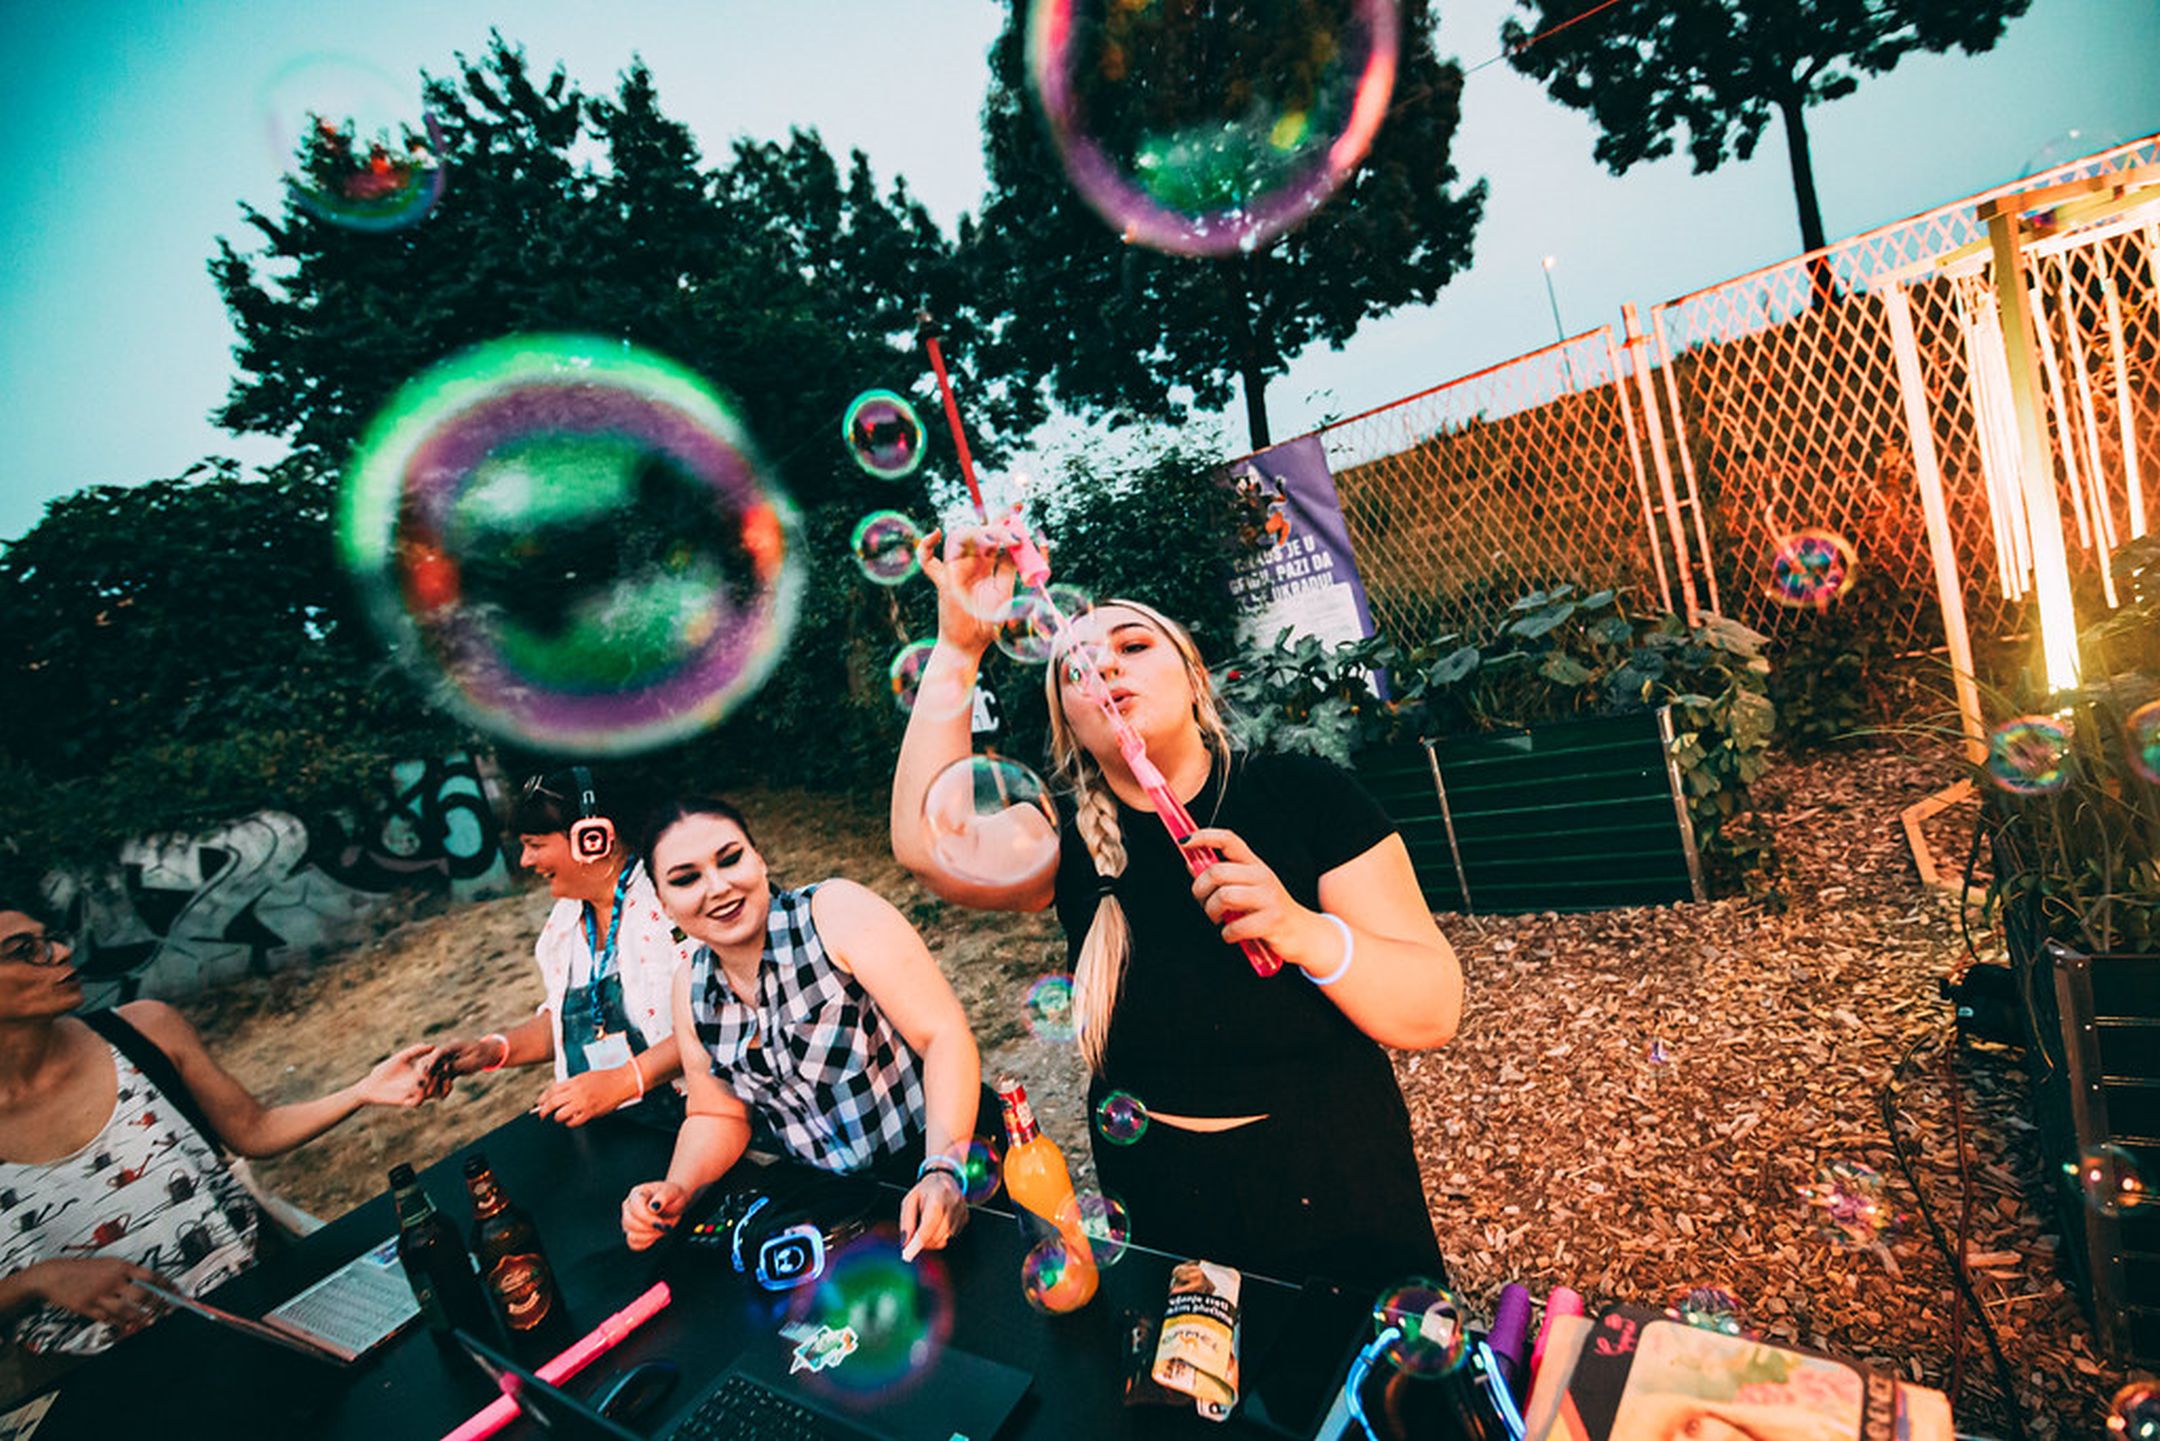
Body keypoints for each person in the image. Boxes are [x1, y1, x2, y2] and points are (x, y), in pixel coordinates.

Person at [890, 526, 1465, 1290]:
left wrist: (1303, 930)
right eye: (1076, 668)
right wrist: (960, 648)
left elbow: (1434, 1008)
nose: (1105, 666)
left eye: (1133, 645)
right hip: (1157, 1200)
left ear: (1195, 678)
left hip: (1334, 1183)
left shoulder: (1302, 792)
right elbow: (925, 843)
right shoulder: (1061, 838)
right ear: (1070, 727)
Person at [0, 896, 438, 1366]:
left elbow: (253, 1129)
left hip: (259, 1313)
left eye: (49, 939)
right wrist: (39, 1280)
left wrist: (363, 1091)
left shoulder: (142, 1031)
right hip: (101, 1378)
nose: (61, 953)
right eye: (24, 949)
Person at [617, 793, 985, 1262]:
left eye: (730, 859)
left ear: (759, 860)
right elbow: (716, 1114)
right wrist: (677, 1188)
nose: (718, 887)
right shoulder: (691, 988)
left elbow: (943, 1035)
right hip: (832, 1205)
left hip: (937, 1157)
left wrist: (942, 1170)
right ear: (665, 905)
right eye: (686, 879)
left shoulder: (833, 913)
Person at [430, 769, 690, 1127]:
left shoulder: (674, 906)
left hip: (693, 1122)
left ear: (593, 839)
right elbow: (565, 1022)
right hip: (608, 1127)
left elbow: (714, 1022)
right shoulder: (563, 923)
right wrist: (492, 1050)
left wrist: (625, 1080)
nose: (525, 861)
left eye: (535, 845)